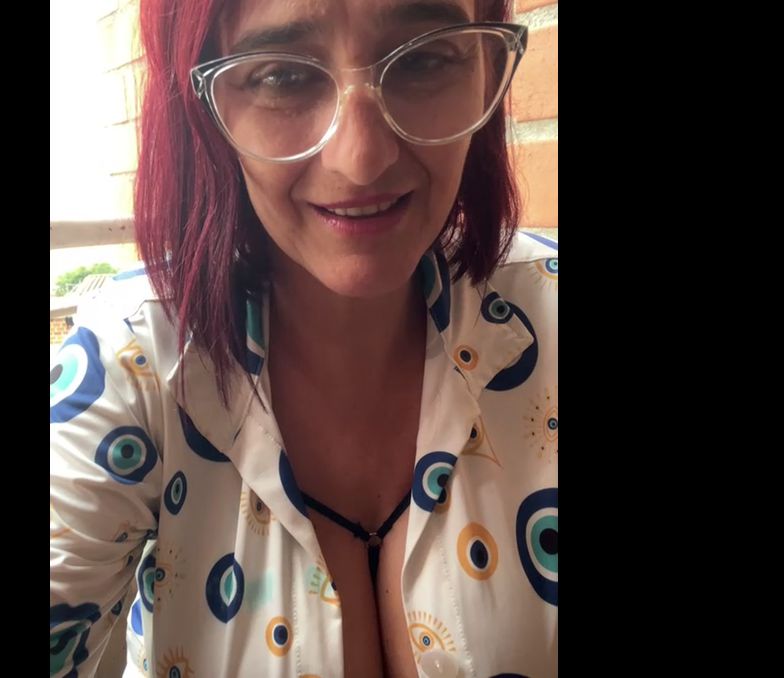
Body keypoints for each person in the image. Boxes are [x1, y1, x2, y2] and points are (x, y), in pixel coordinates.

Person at [51, 0, 557, 676]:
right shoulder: (130, 359)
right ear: (203, 108)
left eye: (425, 59)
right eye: (282, 77)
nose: (362, 159)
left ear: (489, 68)